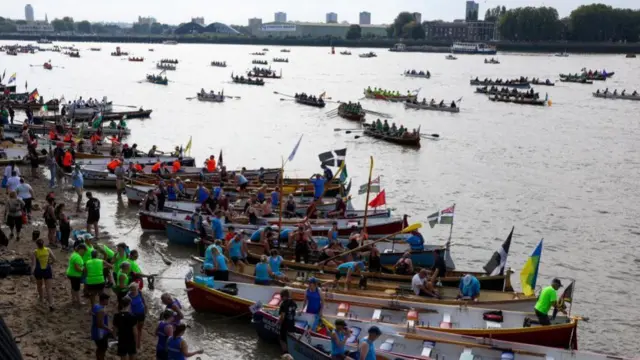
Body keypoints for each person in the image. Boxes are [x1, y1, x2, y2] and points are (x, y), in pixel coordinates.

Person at [31, 232, 57, 311]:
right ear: (43, 244)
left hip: (38, 270)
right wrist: (50, 263)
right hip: (47, 269)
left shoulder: (35, 252)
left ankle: (41, 298)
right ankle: (51, 303)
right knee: (48, 288)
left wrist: (31, 273)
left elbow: (34, 265)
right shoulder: (48, 250)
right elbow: (55, 259)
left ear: (37, 245)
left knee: (39, 285)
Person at [92, 293, 113, 360]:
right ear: (103, 300)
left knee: (99, 348)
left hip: (95, 330)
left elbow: (91, 312)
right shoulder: (101, 310)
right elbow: (99, 324)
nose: (108, 301)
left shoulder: (96, 306)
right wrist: (109, 329)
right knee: (103, 348)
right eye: (107, 300)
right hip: (100, 332)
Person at [127, 282, 147, 350]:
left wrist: (146, 310)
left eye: (134, 289)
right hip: (133, 315)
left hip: (141, 313)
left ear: (137, 288)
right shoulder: (128, 296)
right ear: (130, 289)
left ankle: (138, 344)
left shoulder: (140, 293)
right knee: (134, 331)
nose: (133, 291)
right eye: (132, 289)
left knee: (140, 330)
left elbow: (144, 302)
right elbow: (127, 307)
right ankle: (134, 344)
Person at [277, 289, 297, 354]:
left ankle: (285, 353)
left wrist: (278, 322)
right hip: (292, 324)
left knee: (282, 340)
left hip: (285, 325)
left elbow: (282, 316)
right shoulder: (293, 302)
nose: (281, 298)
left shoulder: (283, 304)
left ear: (284, 296)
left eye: (281, 296)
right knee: (291, 339)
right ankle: (292, 352)